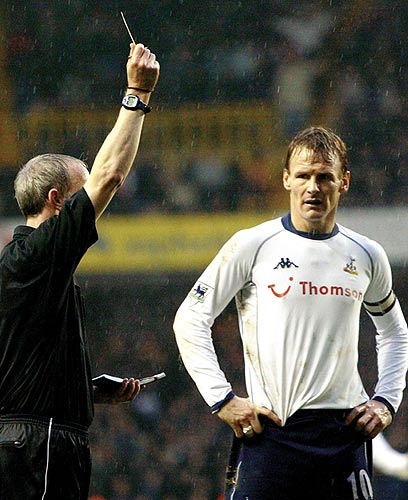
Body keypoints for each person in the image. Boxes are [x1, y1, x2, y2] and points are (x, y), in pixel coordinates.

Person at [173, 126, 408, 500]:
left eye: (324, 177)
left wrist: (385, 401)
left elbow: (394, 331)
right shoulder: (252, 244)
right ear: (286, 179)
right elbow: (190, 319)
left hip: (343, 432)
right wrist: (222, 399)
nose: (313, 187)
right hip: (272, 430)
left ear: (344, 182)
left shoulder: (367, 254)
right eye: (303, 176)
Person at [0, 41, 159, 500]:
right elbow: (110, 175)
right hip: (40, 445)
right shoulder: (36, 255)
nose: (95, 204)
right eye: (81, 192)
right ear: (57, 201)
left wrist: (85, 391)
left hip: (31, 439)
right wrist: (137, 95)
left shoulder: (27, 268)